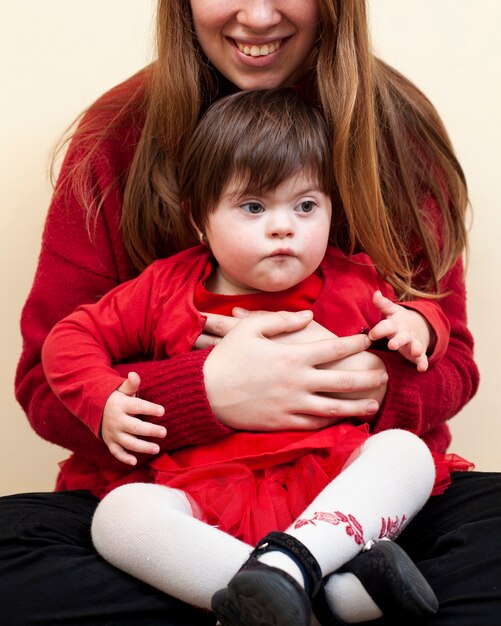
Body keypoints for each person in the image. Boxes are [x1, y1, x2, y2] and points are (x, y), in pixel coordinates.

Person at [5, 1, 500, 625]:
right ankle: (318, 600)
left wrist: (372, 378)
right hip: (190, 498)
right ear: (198, 218)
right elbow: (48, 375)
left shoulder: (392, 151)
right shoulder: (147, 230)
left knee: (426, 476)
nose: (259, 13)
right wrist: (202, 394)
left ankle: (284, 580)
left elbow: (445, 347)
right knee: (57, 546)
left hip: (343, 500)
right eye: (252, 208)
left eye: (306, 206)